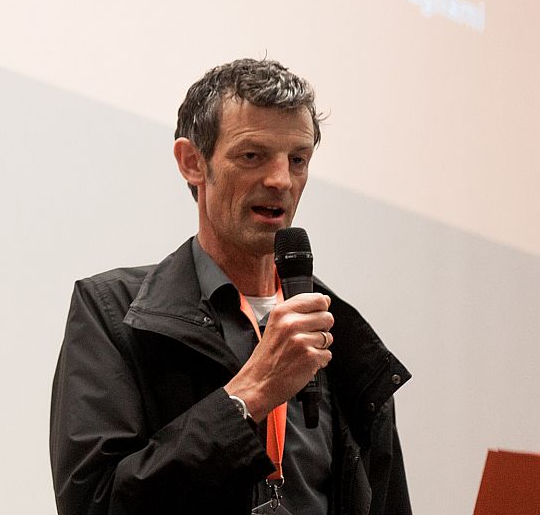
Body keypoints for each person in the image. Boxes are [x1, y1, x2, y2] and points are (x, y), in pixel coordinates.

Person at [50, 58, 412, 515]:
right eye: (252, 156)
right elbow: (94, 504)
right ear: (192, 163)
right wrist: (249, 395)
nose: (281, 180)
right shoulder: (116, 314)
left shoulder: (339, 333)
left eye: (297, 159)